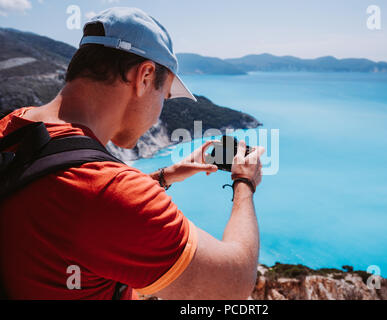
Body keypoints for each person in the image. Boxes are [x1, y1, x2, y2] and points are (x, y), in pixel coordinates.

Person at [0, 7, 264, 299]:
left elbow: (78, 204)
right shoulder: (110, 193)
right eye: (164, 96)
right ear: (145, 76)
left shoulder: (13, 126)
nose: (160, 112)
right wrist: (245, 183)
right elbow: (234, 285)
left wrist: (164, 176)